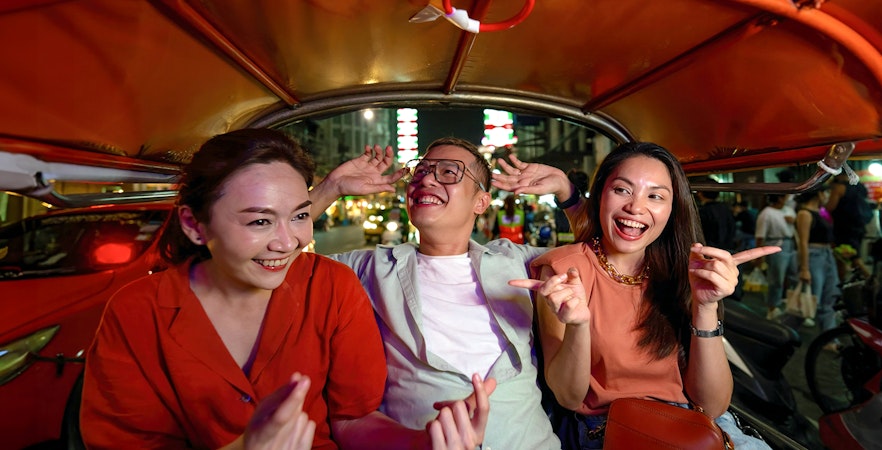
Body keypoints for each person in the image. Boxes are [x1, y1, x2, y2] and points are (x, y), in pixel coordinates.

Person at [80, 129, 492, 450]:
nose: (287, 242)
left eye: (299, 216)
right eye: (259, 222)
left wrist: (423, 442)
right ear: (193, 224)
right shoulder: (136, 312)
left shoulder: (331, 286)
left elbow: (352, 420)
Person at [309, 136, 583, 450]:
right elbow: (278, 256)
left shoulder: (518, 261)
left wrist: (567, 192)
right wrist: (331, 187)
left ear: (481, 202)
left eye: (448, 173)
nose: (426, 179)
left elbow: (605, 253)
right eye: (420, 171)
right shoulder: (370, 268)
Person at [509, 142, 777, 449]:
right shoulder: (563, 271)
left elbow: (712, 406)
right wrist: (579, 325)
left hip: (697, 426)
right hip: (613, 429)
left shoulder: (681, 271)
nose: (636, 207)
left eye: (655, 196)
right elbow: (569, 397)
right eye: (622, 190)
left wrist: (706, 306)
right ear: (600, 195)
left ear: (673, 208)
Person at [795, 184, 841, 331]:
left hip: (827, 255)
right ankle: (790, 331)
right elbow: (803, 242)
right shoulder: (804, 214)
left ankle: (829, 336)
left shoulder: (820, 212)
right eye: (825, 193)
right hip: (814, 255)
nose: (827, 196)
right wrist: (804, 268)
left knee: (830, 293)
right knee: (814, 297)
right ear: (818, 194)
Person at [755, 194, 798, 320]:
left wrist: (794, 222)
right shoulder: (766, 213)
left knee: (794, 276)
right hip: (775, 245)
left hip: (790, 243)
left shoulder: (789, 210)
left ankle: (793, 305)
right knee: (776, 279)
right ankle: (772, 307)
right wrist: (759, 255)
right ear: (780, 198)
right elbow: (760, 236)